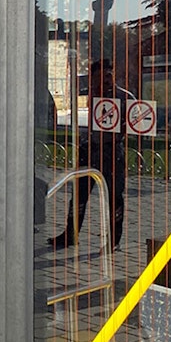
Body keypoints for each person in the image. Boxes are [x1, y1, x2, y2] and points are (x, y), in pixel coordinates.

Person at [49, 58, 134, 251]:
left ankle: (114, 240)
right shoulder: (90, 95)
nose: (105, 80)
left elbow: (135, 122)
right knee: (79, 194)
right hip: (89, 150)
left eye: (108, 75)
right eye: (99, 77)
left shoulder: (124, 97)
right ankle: (71, 234)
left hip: (112, 151)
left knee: (114, 196)